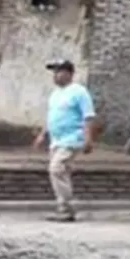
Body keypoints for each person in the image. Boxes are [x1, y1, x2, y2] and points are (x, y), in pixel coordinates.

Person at [33, 59, 97, 222]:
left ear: (69, 73)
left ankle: (65, 207)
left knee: (56, 169)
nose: (55, 75)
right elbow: (52, 117)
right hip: (57, 140)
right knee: (62, 172)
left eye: (59, 71)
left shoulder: (79, 92)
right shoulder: (55, 94)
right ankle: (64, 208)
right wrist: (43, 134)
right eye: (54, 72)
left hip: (72, 138)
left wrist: (88, 138)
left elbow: (88, 116)